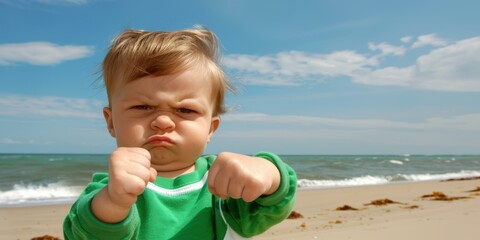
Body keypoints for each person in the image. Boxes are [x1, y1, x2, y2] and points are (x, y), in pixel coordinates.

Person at [63, 27, 296, 239]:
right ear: (111, 121)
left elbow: (273, 207)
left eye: (185, 110)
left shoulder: (221, 186)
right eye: (142, 107)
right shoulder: (108, 189)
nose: (163, 121)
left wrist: (269, 173)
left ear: (210, 129)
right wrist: (114, 203)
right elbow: (83, 233)